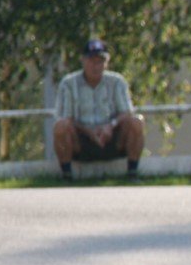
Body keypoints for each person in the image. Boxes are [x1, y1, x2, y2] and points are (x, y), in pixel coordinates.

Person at [54, 38, 145, 178]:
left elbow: (127, 112)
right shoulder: (69, 84)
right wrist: (89, 131)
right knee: (60, 126)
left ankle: (132, 172)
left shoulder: (117, 82)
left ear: (106, 63)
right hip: (81, 140)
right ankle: (66, 174)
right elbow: (66, 117)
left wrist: (110, 126)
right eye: (91, 61)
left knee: (136, 121)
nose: (95, 66)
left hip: (111, 137)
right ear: (83, 61)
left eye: (100, 61)